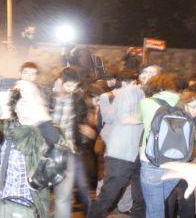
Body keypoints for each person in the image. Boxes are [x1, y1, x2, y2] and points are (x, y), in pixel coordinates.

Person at [0, 79, 61, 218]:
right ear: (15, 107)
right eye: (22, 103)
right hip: (1, 198)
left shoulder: (44, 132)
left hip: (30, 203)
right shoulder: (7, 127)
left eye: (30, 103)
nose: (27, 107)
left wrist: (34, 96)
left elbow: (57, 143)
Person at [90, 70, 145, 218]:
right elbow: (108, 118)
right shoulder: (108, 96)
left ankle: (124, 208)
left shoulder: (142, 95)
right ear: (124, 83)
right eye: (132, 83)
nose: (134, 86)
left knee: (139, 195)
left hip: (138, 150)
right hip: (117, 147)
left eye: (135, 83)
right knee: (109, 191)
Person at [49, 67, 92, 218]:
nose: (73, 89)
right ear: (60, 81)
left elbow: (77, 121)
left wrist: (82, 127)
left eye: (75, 86)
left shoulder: (76, 98)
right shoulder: (48, 97)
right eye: (69, 86)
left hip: (68, 152)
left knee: (64, 196)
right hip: (47, 153)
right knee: (38, 192)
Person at [138, 73, 182, 218]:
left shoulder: (146, 102)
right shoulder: (181, 102)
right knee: (156, 203)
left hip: (151, 159)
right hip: (176, 160)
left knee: (154, 210)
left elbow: (140, 119)